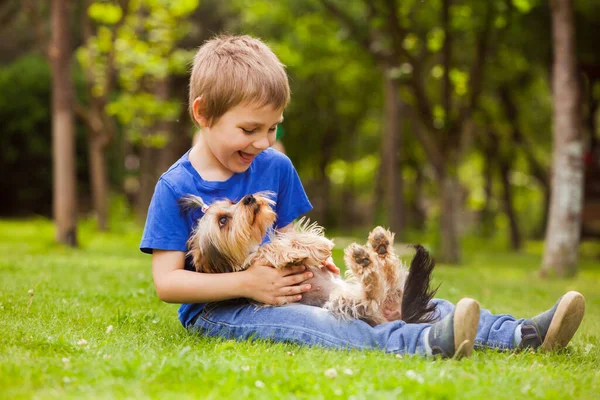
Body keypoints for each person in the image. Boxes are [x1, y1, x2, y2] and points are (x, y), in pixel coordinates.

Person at [140, 35, 585, 358]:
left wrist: (314, 264)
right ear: (203, 113)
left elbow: (288, 235)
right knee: (317, 324)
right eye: (249, 129)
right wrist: (246, 283)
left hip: (296, 287)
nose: (262, 141)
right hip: (224, 309)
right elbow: (168, 283)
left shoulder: (275, 165)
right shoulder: (175, 186)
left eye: (273, 128)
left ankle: (519, 334)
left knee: (397, 296)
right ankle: (421, 343)